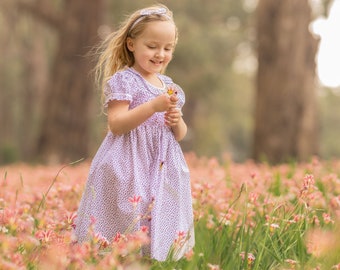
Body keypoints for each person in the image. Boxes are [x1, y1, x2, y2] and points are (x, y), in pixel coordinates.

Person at [74, 4, 195, 261]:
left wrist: (176, 120)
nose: (160, 54)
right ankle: (119, 261)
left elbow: (180, 134)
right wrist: (152, 107)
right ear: (131, 44)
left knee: (156, 218)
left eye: (167, 48)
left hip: (161, 165)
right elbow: (117, 124)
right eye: (152, 46)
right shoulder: (125, 80)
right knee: (129, 216)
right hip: (129, 163)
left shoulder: (170, 87)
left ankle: (148, 261)